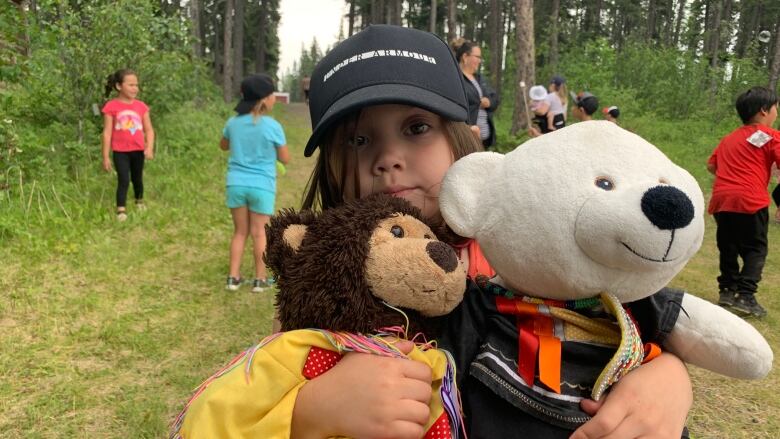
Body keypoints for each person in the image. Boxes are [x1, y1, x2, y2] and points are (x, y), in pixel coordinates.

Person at [253, 25, 692, 438]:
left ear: (460, 137)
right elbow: (245, 399)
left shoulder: (525, 251)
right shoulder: (321, 279)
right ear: (329, 165)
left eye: (417, 128)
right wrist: (307, 412)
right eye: (357, 140)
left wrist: (670, 377)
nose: (388, 158)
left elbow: (621, 320)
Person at [708, 86, 780, 318]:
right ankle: (746, 297)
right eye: (775, 108)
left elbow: (711, 166)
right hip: (750, 199)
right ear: (763, 110)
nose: (776, 112)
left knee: (728, 246)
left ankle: (727, 291)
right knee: (755, 248)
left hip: (722, 199)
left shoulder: (728, 139)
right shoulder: (771, 136)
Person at [221, 74, 290, 292]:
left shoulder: (232, 123)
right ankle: (260, 280)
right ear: (263, 99)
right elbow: (285, 158)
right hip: (262, 186)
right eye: (272, 95)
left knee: (240, 232)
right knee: (260, 232)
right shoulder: (272, 126)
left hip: (236, 184)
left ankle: (233, 278)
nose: (273, 99)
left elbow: (223, 145)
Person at [101, 69, 155, 221]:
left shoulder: (141, 106)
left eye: (136, 85)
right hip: (120, 151)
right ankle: (121, 209)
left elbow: (149, 130)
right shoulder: (111, 106)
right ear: (119, 86)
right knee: (123, 178)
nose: (135, 88)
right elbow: (107, 133)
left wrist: (149, 147)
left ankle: (139, 201)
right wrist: (105, 157)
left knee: (137, 178)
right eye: (130, 85)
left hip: (138, 150)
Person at [450, 38, 500, 149]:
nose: (480, 60)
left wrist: (489, 102)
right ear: (465, 57)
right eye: (477, 57)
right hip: (466, 141)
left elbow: (495, 98)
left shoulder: (479, 79)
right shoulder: (454, 78)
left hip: (484, 141)